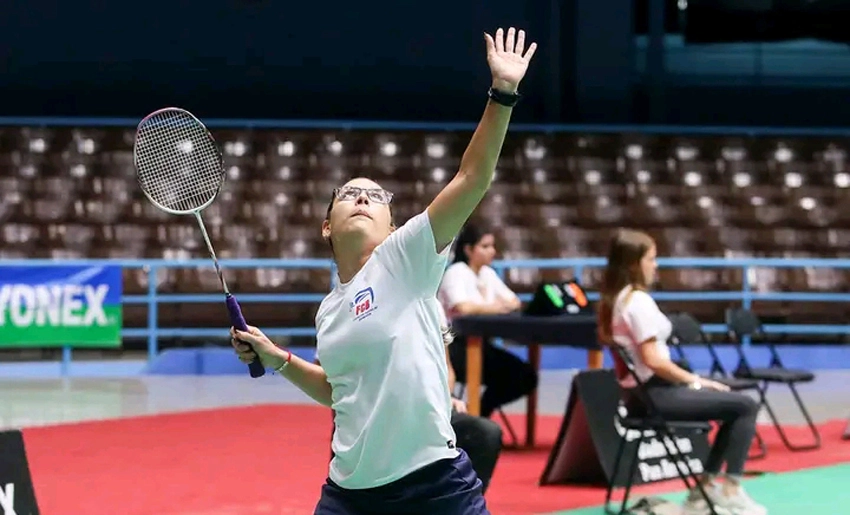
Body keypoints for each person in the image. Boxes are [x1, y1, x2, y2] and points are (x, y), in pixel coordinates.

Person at [229, 27, 537, 515]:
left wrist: (502, 93)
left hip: (433, 485)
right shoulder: (329, 310)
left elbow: (472, 177)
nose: (362, 199)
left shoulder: (406, 259)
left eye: (375, 197)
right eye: (349, 194)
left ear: (394, 224)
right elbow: (338, 390)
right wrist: (277, 359)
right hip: (349, 493)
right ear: (327, 227)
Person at [598, 229, 767, 515]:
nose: (656, 265)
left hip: (642, 395)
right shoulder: (636, 303)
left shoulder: (620, 299)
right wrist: (697, 382)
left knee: (734, 407)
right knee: (746, 406)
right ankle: (730, 489)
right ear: (632, 264)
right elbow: (654, 361)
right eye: (651, 259)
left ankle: (706, 490)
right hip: (656, 395)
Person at [438, 223, 538, 418]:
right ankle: (472, 415)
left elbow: (514, 302)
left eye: (492, 246)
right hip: (455, 349)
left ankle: (480, 413)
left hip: (483, 346)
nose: (492, 251)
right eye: (485, 246)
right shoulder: (456, 272)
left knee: (525, 376)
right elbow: (462, 307)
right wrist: (495, 307)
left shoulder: (488, 274)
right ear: (468, 249)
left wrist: (487, 308)